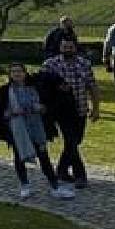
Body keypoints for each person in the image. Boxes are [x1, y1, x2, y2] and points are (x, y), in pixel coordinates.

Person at [0, 63, 75, 200]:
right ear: (10, 75)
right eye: (14, 72)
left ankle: (54, 186)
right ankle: (25, 185)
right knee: (19, 157)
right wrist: (12, 112)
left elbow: (49, 103)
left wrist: (42, 108)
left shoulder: (36, 88)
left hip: (36, 126)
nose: (17, 74)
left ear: (25, 73)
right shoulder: (4, 91)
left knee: (44, 157)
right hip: (18, 129)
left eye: (19, 71)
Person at [41, 40, 100, 189]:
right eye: (64, 47)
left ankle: (61, 170)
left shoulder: (84, 64)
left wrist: (96, 107)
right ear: (60, 48)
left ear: (75, 48)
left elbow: (92, 86)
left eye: (70, 47)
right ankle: (80, 175)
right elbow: (42, 87)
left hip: (80, 109)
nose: (67, 49)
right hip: (61, 111)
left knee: (75, 140)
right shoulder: (51, 64)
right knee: (71, 140)